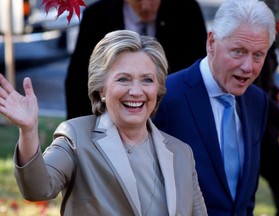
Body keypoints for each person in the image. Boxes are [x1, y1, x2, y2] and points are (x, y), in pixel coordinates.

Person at [0, 30, 207, 215]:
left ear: (158, 89)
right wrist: (28, 130)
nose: (136, 91)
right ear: (101, 89)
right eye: (123, 79)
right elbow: (37, 189)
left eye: (147, 80)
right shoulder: (76, 137)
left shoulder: (182, 153)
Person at [152, 0, 276, 215]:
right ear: (211, 42)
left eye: (258, 55)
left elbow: (244, 199)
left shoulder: (258, 101)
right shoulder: (165, 96)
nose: (248, 67)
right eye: (238, 51)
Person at [65, 0, 207, 120]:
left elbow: (198, 72)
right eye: (138, 0)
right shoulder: (97, 16)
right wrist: (82, 132)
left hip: (174, 115)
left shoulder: (187, 11)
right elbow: (78, 81)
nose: (146, 6)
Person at [255, 44, 279, 216]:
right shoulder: (254, 51)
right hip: (259, 132)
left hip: (266, 130)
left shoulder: (271, 48)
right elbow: (258, 98)